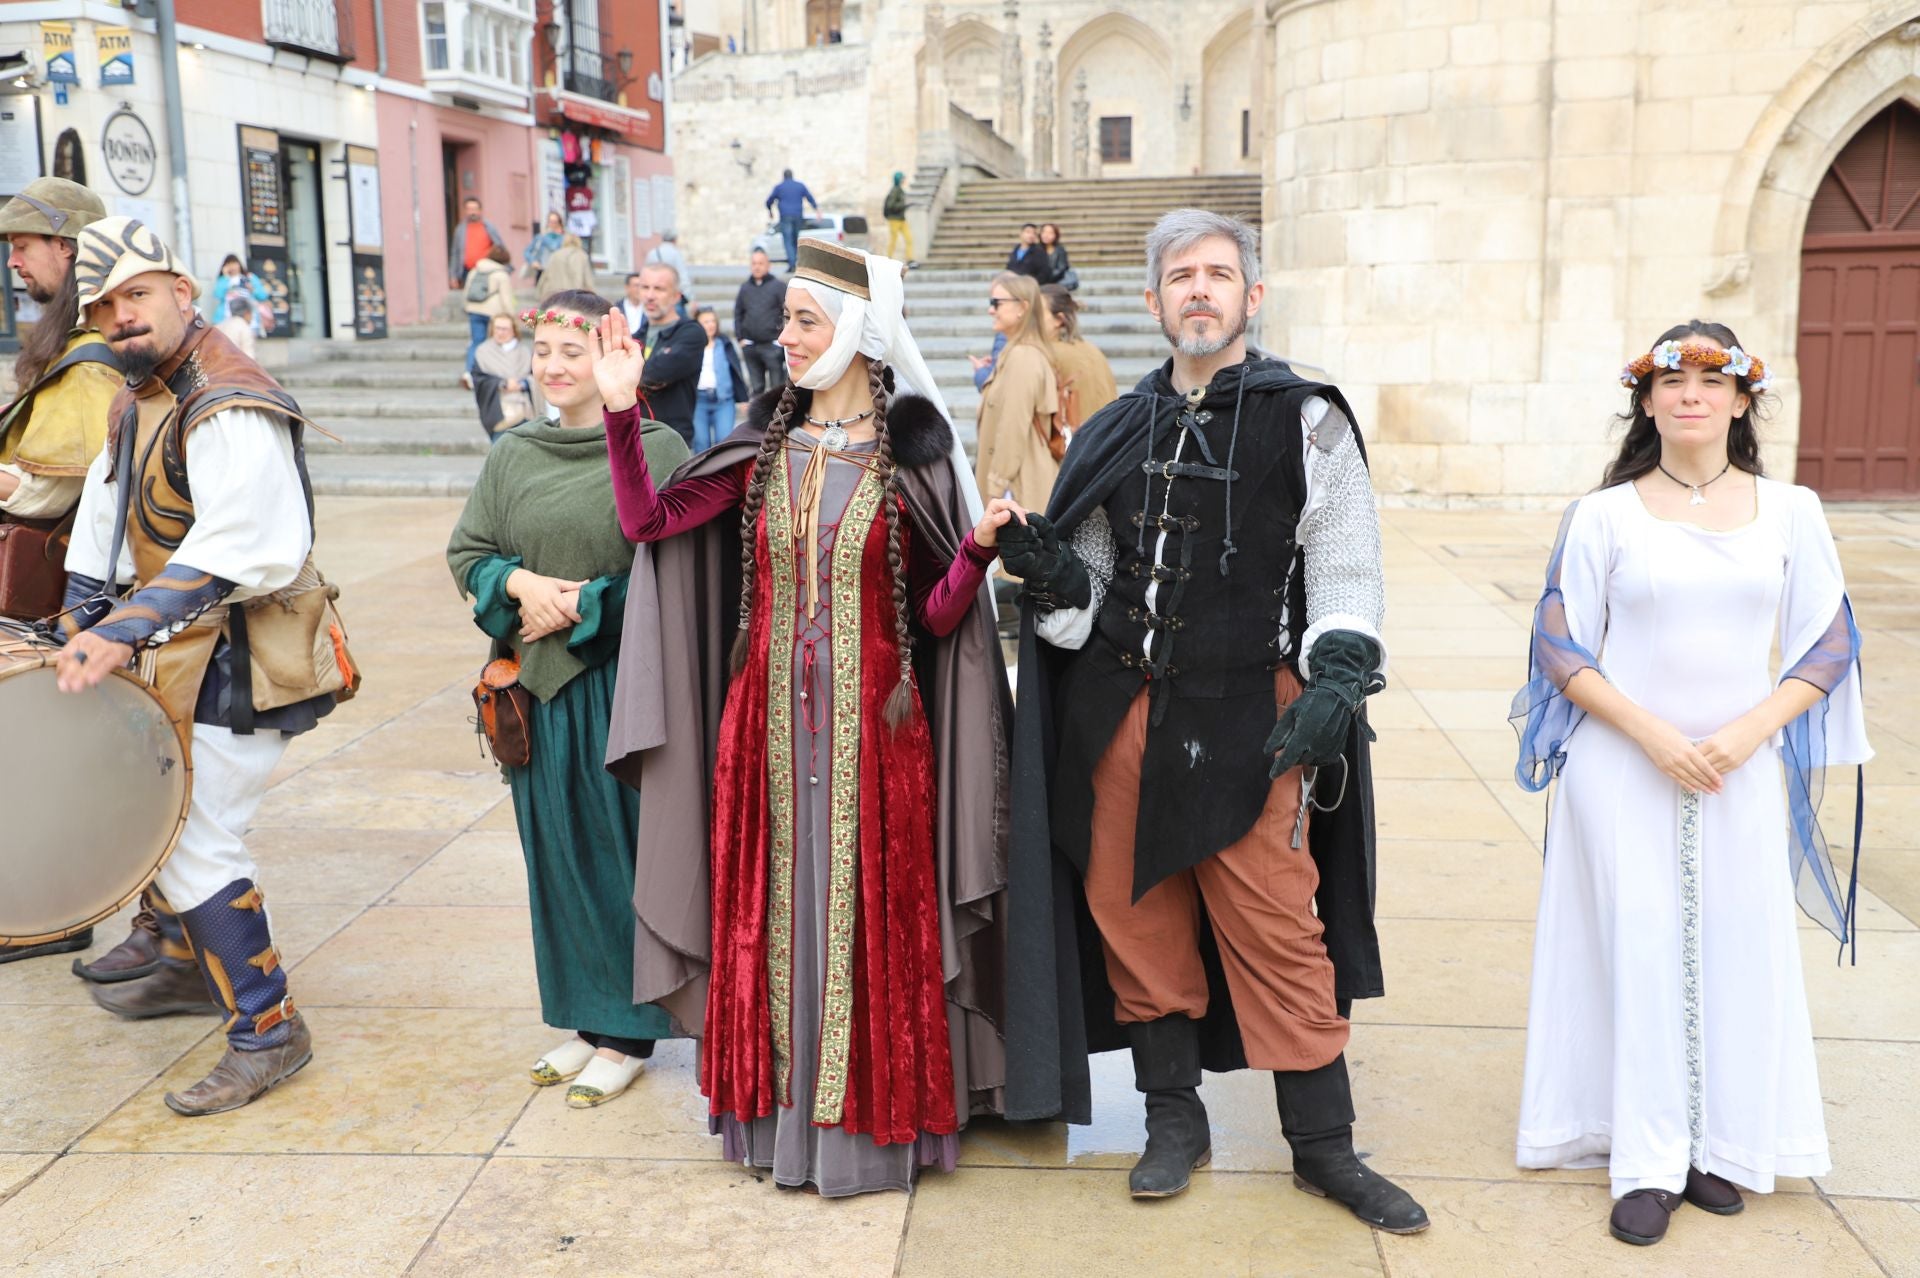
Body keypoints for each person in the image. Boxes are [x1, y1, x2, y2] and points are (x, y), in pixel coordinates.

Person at [999, 209, 1428, 1235]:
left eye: (1218, 275)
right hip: (1124, 715)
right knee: (1133, 916)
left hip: (1255, 717)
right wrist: (1054, 572)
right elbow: (1086, 598)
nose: (1200, 290)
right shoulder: (1114, 428)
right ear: (1153, 302)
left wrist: (1337, 674)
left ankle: (1324, 1150)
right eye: (1181, 277)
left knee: (1281, 929)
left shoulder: (1307, 416)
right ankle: (1172, 1123)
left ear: (1252, 296)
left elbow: (1346, 564)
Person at [600, 239, 1011, 1197]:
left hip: (880, 739)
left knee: (869, 922)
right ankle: (777, 1123)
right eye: (783, 318)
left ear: (858, 335)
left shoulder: (915, 462)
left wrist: (980, 547)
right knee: (770, 924)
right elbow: (648, 525)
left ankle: (868, 1131)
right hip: (763, 737)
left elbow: (936, 618)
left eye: (802, 321)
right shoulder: (762, 450)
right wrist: (623, 413)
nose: (779, 337)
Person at [1510, 323, 1870, 1248]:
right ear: (1647, 401)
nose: (1692, 395)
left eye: (1713, 379)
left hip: (1741, 769)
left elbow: (1827, 640)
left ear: (1743, 401)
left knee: (1733, 944)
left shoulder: (1792, 510)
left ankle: (1718, 1144)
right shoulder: (1604, 517)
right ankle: (1645, 1157)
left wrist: (1747, 733)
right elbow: (1560, 645)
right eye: (1672, 380)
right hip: (1623, 763)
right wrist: (1656, 736)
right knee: (1635, 944)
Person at [56, 216, 345, 1115]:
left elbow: (247, 542)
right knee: (164, 821)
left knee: (185, 835)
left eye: (136, 297)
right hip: (180, 648)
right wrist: (75, 622)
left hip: (245, 656)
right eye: (105, 307)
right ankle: (186, 961)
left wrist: (123, 628)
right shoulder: (134, 397)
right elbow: (101, 530)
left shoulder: (228, 398)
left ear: (186, 294)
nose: (122, 319)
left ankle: (270, 1030)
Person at [447, 290, 692, 1110]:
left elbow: (676, 570)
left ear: (611, 358)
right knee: (553, 855)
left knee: (616, 856)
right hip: (533, 694)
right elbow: (470, 551)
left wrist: (583, 606)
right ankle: (586, 1019)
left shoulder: (655, 450)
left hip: (619, 688)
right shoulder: (513, 453)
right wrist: (517, 584)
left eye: (571, 352)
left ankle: (628, 1031)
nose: (553, 367)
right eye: (543, 350)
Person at [0, 176, 123, 965]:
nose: (13, 262)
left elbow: (67, 478)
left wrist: (10, 482)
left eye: (23, 246)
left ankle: (55, 911)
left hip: (61, 589)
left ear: (69, 250)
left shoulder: (90, 355)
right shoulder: (63, 339)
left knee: (41, 751)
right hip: (49, 581)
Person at [974, 272, 1061, 517]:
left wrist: (995, 488)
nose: (991, 310)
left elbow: (1012, 427)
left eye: (996, 303)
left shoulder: (1022, 357)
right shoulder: (1017, 353)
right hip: (1017, 485)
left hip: (1017, 491)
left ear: (1022, 307)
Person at [629, 263, 707, 447]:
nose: (650, 296)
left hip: (672, 443)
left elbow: (655, 373)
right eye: (645, 287)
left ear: (676, 296)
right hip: (635, 441)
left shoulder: (691, 333)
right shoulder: (635, 337)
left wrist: (626, 377)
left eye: (659, 289)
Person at [1040, 284, 1117, 431]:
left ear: (1059, 320)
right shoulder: (1092, 349)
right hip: (1105, 439)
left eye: (1036, 314)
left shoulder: (1048, 354)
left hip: (1073, 443)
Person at [472, 312, 542, 441]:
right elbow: (479, 379)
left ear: (513, 330)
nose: (500, 332)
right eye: (497, 328)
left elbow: (536, 376)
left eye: (504, 329)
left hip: (524, 410)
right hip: (498, 411)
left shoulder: (524, 352)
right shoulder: (483, 352)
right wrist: (502, 383)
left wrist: (524, 384)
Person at [691, 306, 748, 452]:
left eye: (712, 321)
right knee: (701, 443)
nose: (710, 325)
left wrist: (743, 398)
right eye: (705, 322)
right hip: (698, 400)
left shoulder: (724, 343)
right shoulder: (690, 345)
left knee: (723, 442)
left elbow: (736, 371)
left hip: (723, 400)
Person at [732, 249, 787, 396]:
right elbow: (738, 312)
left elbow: (787, 313)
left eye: (761, 263)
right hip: (751, 346)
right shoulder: (745, 288)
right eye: (754, 263)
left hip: (772, 346)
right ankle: (758, 419)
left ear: (768, 265)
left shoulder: (778, 286)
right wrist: (740, 338)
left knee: (777, 389)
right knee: (756, 389)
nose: (757, 267)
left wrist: (781, 339)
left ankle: (777, 418)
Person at [462, 242, 517, 384]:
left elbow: (467, 291)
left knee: (476, 342)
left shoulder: (475, 270)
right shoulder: (501, 274)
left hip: (474, 310)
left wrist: (466, 307)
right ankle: (491, 370)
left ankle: (469, 372)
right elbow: (506, 298)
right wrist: (511, 317)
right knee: (495, 341)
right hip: (494, 313)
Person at [764, 169, 819, 270]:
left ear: (783, 176)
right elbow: (809, 197)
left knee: (788, 240)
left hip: (785, 216)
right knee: (795, 239)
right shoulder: (800, 186)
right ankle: (795, 262)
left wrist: (770, 211)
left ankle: (792, 264)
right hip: (798, 216)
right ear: (792, 176)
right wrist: (816, 209)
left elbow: (769, 201)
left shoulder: (779, 187)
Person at [449, 196, 507, 291]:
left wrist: (504, 268)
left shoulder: (489, 227)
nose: (472, 212)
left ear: (480, 210)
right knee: (470, 299)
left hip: (486, 271)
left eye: (475, 209)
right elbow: (455, 253)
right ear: (465, 211)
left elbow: (500, 247)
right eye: (469, 209)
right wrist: (453, 276)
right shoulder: (460, 230)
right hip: (466, 271)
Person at [210, 255, 269, 330]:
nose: (232, 267)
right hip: (226, 319)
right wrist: (225, 278)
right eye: (229, 264)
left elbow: (263, 296)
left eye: (234, 263)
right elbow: (218, 295)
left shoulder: (250, 277)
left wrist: (252, 289)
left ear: (239, 264)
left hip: (249, 320)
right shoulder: (223, 280)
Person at [643, 231, 695, 314]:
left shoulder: (652, 252)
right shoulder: (675, 253)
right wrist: (690, 296)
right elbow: (682, 276)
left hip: (655, 290)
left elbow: (645, 273)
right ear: (674, 240)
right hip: (671, 291)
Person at [538, 233, 595, 297]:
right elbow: (588, 280)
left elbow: (545, 276)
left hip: (555, 294)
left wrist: (540, 292)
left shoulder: (555, 254)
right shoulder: (582, 255)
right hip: (574, 296)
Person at [524, 211, 566, 285]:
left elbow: (554, 247)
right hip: (542, 270)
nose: (552, 224)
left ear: (559, 223)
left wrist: (553, 235)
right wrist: (532, 261)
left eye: (555, 222)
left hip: (558, 271)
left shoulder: (564, 238)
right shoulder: (540, 237)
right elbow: (527, 251)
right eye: (550, 221)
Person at [882, 172, 914, 266]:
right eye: (902, 179)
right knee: (893, 240)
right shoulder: (895, 190)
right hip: (894, 220)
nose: (904, 180)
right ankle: (888, 259)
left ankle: (910, 259)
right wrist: (903, 205)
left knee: (909, 239)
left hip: (901, 219)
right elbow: (891, 205)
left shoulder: (900, 190)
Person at [217, 295, 259, 360]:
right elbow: (249, 356)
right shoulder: (244, 328)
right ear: (247, 313)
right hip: (236, 366)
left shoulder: (220, 325)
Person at [1037, 223, 1074, 289]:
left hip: (1056, 283)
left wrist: (1047, 278)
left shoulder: (1060, 250)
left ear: (1056, 235)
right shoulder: (1036, 249)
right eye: (1044, 232)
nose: (1046, 235)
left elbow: (1061, 268)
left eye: (1050, 233)